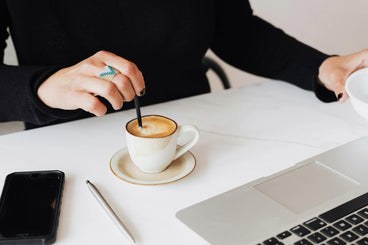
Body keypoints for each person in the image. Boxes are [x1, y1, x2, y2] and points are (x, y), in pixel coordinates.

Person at [0, 1, 366, 129]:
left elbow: (235, 31)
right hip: (66, 141)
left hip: (198, 130)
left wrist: (321, 66)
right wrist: (41, 88)